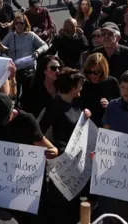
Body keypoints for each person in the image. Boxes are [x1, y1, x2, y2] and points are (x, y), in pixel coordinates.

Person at [38, 68, 91, 224]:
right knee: (59, 204)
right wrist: (53, 150)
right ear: (73, 88)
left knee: (75, 203)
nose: (82, 88)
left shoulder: (77, 102)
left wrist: (86, 115)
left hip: (77, 161)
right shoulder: (55, 105)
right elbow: (39, 131)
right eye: (80, 85)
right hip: (61, 162)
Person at [80, 53, 120, 127]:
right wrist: (84, 109)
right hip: (89, 124)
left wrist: (109, 104)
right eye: (89, 72)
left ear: (103, 70)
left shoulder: (112, 82)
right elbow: (79, 102)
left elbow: (120, 103)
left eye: (96, 72)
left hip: (107, 125)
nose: (92, 75)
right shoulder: (84, 84)